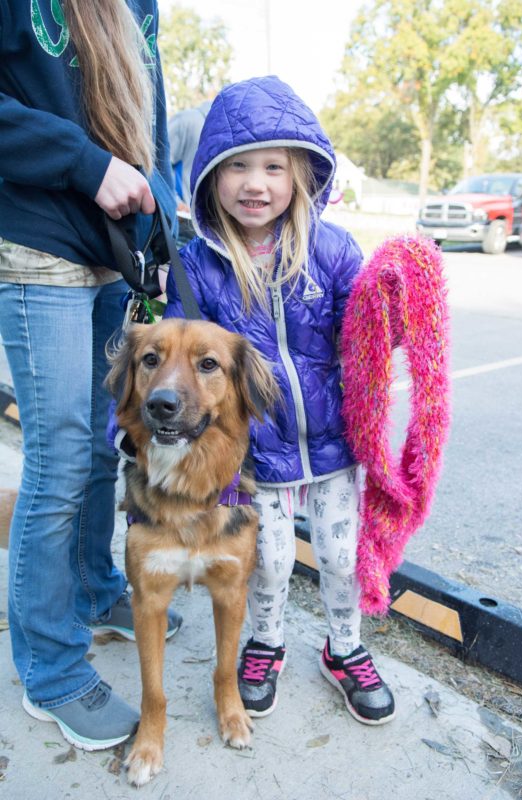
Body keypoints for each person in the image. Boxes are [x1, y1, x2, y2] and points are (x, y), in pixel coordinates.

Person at [163, 75, 396, 725]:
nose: (255, 182)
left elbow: (366, 333)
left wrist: (396, 317)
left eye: (272, 165)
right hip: (254, 453)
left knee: (341, 558)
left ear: (300, 175)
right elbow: (173, 361)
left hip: (332, 445)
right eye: (236, 166)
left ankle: (344, 647)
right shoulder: (199, 266)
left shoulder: (332, 249)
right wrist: (141, 432)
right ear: (210, 176)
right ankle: (265, 642)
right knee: (264, 564)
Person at [0, 0, 181, 751]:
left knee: (107, 441)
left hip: (113, 249)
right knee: (63, 453)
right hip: (36, 236)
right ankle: (49, 667)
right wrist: (84, 162)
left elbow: (155, 124)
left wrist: (163, 228)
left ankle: (93, 585)